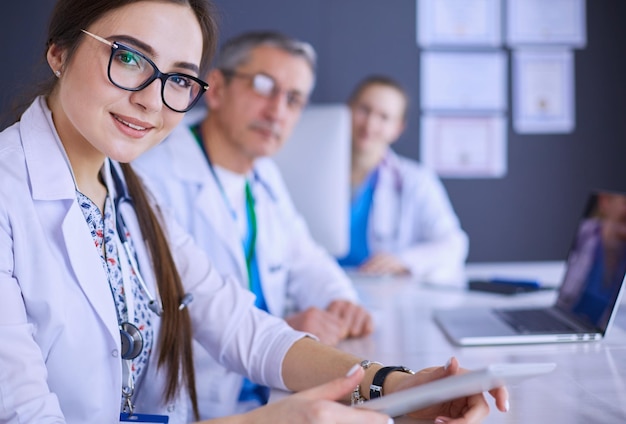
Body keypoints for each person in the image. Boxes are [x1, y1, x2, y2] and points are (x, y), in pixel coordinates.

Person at [0, 0, 509, 423]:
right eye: (130, 58)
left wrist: (395, 387)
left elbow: (241, 326)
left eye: (179, 79)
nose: (153, 101)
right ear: (59, 51)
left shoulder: (131, 193)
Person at [133, 31, 373, 417]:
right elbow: (145, 331)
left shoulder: (264, 178)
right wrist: (280, 328)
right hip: (194, 408)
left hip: (266, 393)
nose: (277, 111)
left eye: (294, 99)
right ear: (218, 89)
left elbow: (307, 257)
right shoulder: (152, 178)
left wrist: (340, 300)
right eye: (263, 87)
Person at [338, 75, 469, 283]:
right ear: (347, 110)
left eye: (384, 117)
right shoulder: (310, 172)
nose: (370, 124)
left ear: (397, 129)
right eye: (364, 110)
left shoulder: (416, 180)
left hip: (378, 290)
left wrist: (404, 260)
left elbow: (454, 244)